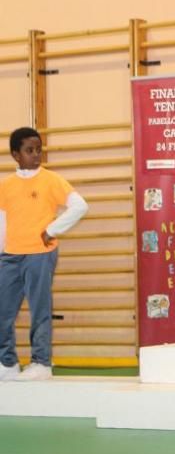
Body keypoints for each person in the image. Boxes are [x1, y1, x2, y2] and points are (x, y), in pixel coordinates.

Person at [0, 127, 88, 382]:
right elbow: (3, 221)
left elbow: (80, 206)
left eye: (39, 150)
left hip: (40, 254)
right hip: (11, 255)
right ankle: (7, 363)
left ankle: (41, 362)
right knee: (4, 311)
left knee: (39, 309)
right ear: (16, 154)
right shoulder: (5, 185)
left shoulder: (51, 180)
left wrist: (52, 229)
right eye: (30, 151)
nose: (36, 155)